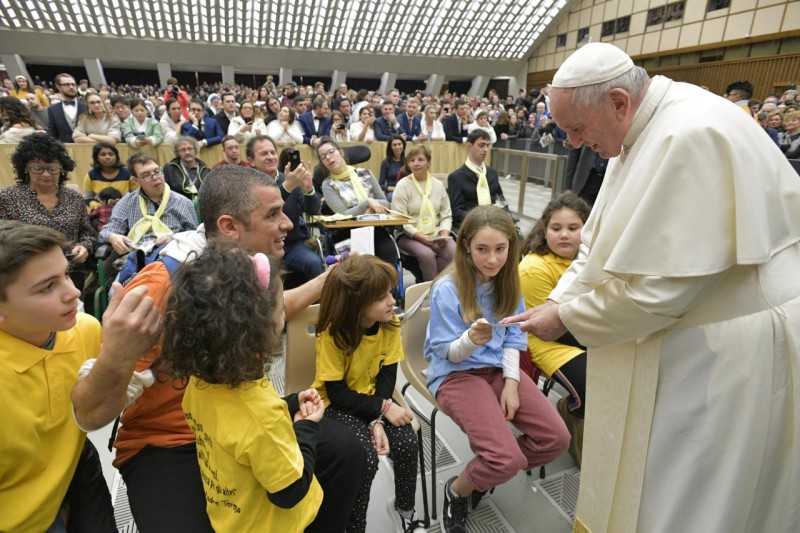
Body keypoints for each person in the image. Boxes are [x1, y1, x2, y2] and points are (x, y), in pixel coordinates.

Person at [505, 42, 800, 533]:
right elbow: (597, 242)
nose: (573, 144)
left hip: (732, 345)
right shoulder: (637, 131)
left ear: (618, 101)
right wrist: (558, 297)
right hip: (686, 334)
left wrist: (565, 318)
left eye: (576, 128)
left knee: (697, 494)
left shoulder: (691, 133)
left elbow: (664, 290)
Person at [113, 165, 365, 532]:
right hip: (166, 441)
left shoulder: (245, 274)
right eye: (273, 214)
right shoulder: (161, 287)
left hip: (228, 413)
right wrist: (112, 356)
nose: (288, 224)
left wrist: (329, 278)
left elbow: (274, 311)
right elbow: (95, 407)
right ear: (230, 227)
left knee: (346, 451)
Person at [0, 220, 159, 533]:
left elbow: (95, 414)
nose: (73, 292)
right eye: (47, 287)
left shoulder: (84, 329)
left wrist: (119, 355)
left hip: (71, 467)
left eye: (66, 274)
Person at [424, 205, 569, 533]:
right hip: (456, 374)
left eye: (500, 249)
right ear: (465, 246)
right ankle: (459, 489)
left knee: (556, 439)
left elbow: (513, 338)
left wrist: (512, 383)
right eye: (482, 249)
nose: (492, 259)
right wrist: (470, 340)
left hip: (497, 371)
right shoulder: (447, 289)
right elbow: (448, 353)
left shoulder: (508, 281)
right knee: (507, 459)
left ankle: (486, 472)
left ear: (511, 246)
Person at [159, 244, 325, 530]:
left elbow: (234, 430)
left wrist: (290, 403)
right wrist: (307, 428)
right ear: (257, 329)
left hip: (233, 520)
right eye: (281, 309)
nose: (284, 314)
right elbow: (290, 491)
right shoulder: (261, 418)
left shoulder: (199, 384)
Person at [312, 255, 423, 532]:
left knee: (407, 442)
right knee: (365, 459)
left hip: (375, 400)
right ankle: (355, 526)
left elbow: (387, 375)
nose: (392, 301)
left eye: (390, 292)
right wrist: (382, 410)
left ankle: (405, 511)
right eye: (382, 296)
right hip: (337, 407)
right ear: (356, 304)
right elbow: (338, 394)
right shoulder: (333, 334)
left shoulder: (390, 323)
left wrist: (377, 419)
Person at [518, 193, 591, 466]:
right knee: (590, 385)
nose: (564, 235)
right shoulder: (533, 268)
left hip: (584, 331)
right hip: (548, 340)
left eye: (573, 228)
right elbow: (546, 327)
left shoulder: (591, 259)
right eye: (556, 228)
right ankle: (570, 410)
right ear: (544, 230)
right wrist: (599, 340)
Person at [0, 134, 95, 287]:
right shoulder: (7, 197)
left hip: (69, 272)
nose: (46, 174)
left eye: (52, 168)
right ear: (25, 168)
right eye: (38, 168)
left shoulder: (74, 197)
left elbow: (87, 233)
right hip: (24, 274)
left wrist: (84, 246)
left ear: (62, 169)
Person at [247, 135, 324, 285]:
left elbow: (313, 211)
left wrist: (309, 190)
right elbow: (263, 210)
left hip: (291, 245)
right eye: (264, 154)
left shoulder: (289, 178)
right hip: (260, 248)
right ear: (251, 161)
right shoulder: (248, 184)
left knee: (314, 262)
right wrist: (288, 186)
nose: (270, 157)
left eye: (272, 152)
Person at [317, 137, 398, 266]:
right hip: (346, 232)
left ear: (341, 152)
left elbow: (385, 203)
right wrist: (368, 203)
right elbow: (344, 214)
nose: (328, 157)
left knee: (388, 251)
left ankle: (389, 280)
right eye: (323, 156)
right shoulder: (328, 184)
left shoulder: (366, 173)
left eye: (331, 152)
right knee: (359, 266)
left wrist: (373, 203)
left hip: (374, 227)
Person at [99, 152, 198, 255]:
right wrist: (112, 237)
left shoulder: (183, 202)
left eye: (157, 171)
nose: (155, 177)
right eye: (146, 175)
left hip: (173, 254)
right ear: (135, 180)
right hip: (137, 255)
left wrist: (173, 238)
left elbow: (195, 236)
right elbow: (107, 230)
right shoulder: (127, 202)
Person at [391, 144, 456, 281]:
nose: (416, 163)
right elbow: (399, 219)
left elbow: (446, 215)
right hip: (408, 234)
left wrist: (444, 233)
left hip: (435, 231)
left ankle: (440, 285)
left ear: (429, 163)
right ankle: (429, 289)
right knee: (427, 255)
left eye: (420, 159)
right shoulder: (402, 185)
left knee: (452, 251)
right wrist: (419, 236)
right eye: (412, 160)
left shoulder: (438, 185)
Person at [447, 129, 508, 232]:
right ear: (469, 147)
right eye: (481, 145)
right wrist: (482, 220)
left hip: (495, 223)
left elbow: (501, 201)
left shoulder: (492, 173)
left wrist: (507, 215)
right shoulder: (456, 177)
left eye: (487, 145)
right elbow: (456, 212)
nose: (486, 149)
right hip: (472, 226)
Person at [81, 142, 134, 210]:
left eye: (111, 154)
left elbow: (136, 195)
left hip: (124, 209)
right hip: (100, 211)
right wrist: (99, 206)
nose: (108, 157)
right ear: (97, 158)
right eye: (103, 154)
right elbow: (87, 198)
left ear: (116, 157)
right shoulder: (91, 175)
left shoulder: (128, 174)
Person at [379, 134, 406, 201]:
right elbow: (381, 185)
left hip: (406, 189)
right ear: (390, 147)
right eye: (394, 145)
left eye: (399, 144)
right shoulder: (385, 162)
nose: (397, 147)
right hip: (392, 191)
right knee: (394, 197)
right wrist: (393, 188)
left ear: (403, 145)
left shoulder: (408, 160)